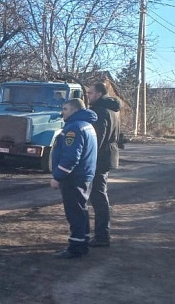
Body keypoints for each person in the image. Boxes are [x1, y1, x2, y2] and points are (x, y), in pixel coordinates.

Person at [50, 98, 97, 259]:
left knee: (74, 212)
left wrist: (57, 176)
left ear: (75, 110)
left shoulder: (74, 129)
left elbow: (71, 157)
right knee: (81, 209)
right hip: (84, 175)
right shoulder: (87, 125)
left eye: (65, 109)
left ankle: (76, 247)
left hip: (74, 178)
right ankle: (82, 242)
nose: (62, 112)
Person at [86, 81, 121, 248]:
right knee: (99, 195)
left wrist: (88, 158)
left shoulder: (99, 111)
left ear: (99, 94)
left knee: (98, 197)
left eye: (90, 93)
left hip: (100, 158)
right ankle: (102, 235)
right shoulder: (113, 109)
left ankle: (102, 236)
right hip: (107, 156)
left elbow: (97, 139)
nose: (88, 96)